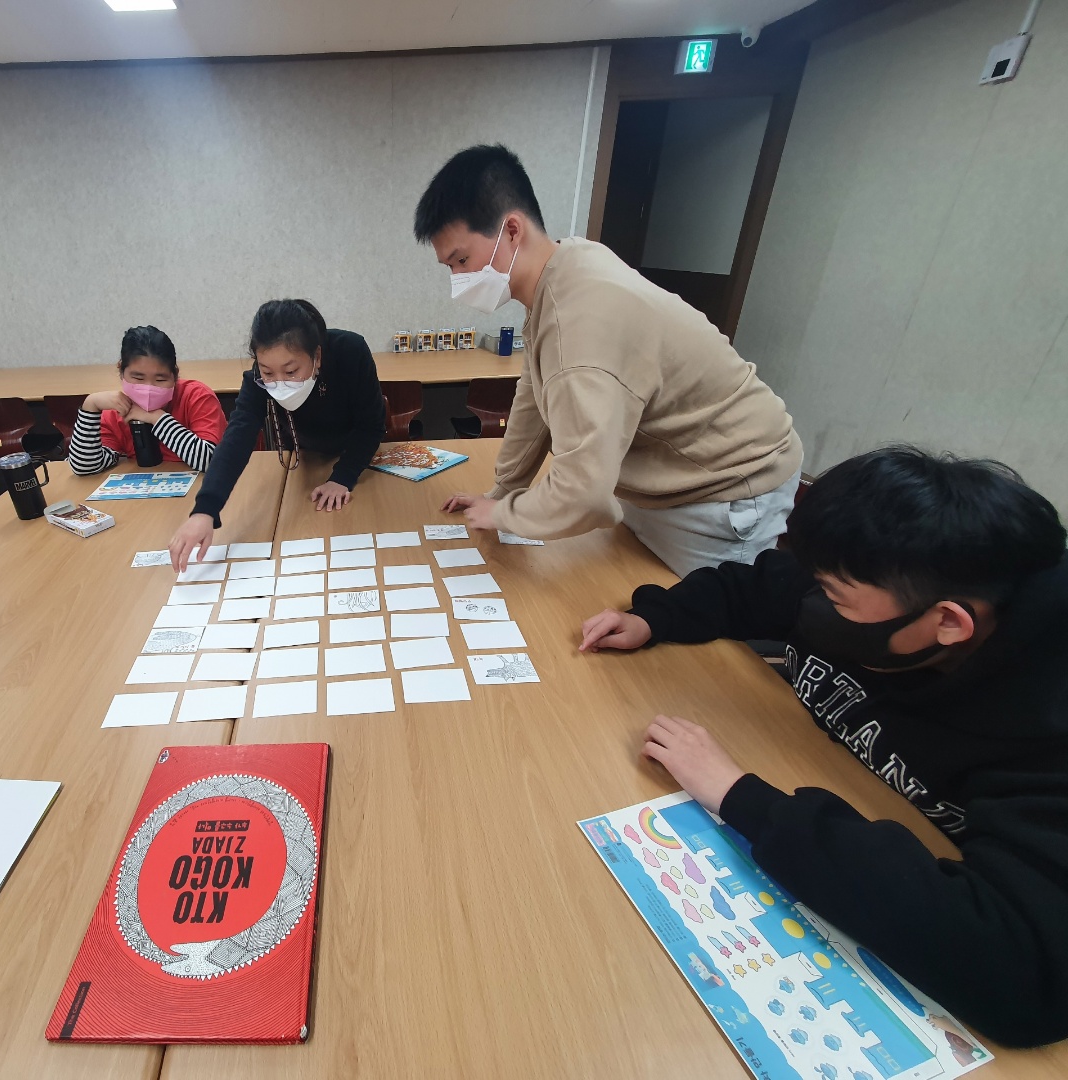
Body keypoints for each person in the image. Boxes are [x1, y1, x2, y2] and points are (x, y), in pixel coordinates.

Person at [578, 447, 1068, 1047]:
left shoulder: (1044, 732)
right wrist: (657, 617)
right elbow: (759, 586)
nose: (814, 599)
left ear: (948, 623)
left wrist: (744, 799)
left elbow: (1023, 976)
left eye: (836, 595)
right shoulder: (887, 580)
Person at [414, 144, 803, 577]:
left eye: (462, 260)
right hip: (663, 479)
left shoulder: (580, 319)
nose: (458, 280)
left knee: (695, 612)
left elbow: (583, 494)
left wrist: (503, 514)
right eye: (449, 266)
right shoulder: (563, 267)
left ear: (511, 230)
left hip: (728, 484)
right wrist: (503, 492)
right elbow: (534, 395)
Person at [169, 299, 385, 571]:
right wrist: (205, 510)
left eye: (291, 371)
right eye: (268, 372)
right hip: (303, 459)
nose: (279, 382)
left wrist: (343, 477)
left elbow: (371, 425)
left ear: (317, 356)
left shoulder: (350, 351)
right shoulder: (256, 379)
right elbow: (237, 438)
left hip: (358, 455)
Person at [69, 325, 227, 475]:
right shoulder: (116, 410)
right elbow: (84, 467)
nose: (148, 389)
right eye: (138, 378)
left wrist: (156, 418)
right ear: (121, 371)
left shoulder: (196, 397)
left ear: (175, 375)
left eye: (160, 380)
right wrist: (90, 405)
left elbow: (212, 461)